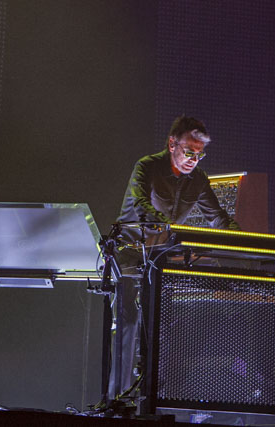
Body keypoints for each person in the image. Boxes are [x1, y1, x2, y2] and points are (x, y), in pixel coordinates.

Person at [109, 115, 239, 399]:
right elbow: (140, 204)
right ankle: (117, 399)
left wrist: (242, 238)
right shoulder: (147, 166)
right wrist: (169, 228)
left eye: (199, 154)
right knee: (129, 322)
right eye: (189, 151)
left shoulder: (198, 179)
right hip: (130, 255)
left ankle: (152, 396)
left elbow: (217, 217)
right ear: (172, 144)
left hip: (160, 259)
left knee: (161, 325)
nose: (194, 159)